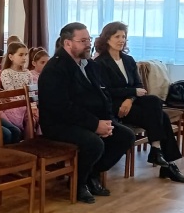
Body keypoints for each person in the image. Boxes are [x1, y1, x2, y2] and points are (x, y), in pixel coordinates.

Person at [38, 22, 136, 203]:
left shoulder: (89, 64)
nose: (88, 44)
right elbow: (62, 108)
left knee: (125, 136)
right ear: (68, 43)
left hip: (88, 119)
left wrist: (107, 121)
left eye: (89, 39)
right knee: (94, 144)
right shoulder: (55, 69)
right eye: (82, 41)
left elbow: (103, 95)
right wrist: (95, 125)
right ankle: (79, 183)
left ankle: (92, 174)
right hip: (60, 124)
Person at [93, 22, 184, 183]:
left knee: (154, 101)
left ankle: (158, 152)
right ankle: (166, 163)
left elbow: (139, 86)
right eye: (117, 36)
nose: (121, 40)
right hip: (115, 107)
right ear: (107, 38)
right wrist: (131, 93)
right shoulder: (100, 63)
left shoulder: (128, 60)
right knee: (162, 117)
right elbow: (107, 91)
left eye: (124, 36)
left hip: (130, 103)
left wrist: (130, 98)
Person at [0, 42, 35, 134]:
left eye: (26, 54)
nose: (24, 58)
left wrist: (32, 105)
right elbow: (11, 92)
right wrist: (25, 103)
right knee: (28, 115)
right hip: (14, 104)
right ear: (11, 57)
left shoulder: (28, 73)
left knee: (33, 117)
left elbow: (31, 92)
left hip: (27, 103)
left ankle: (30, 139)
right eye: (21, 55)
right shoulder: (6, 73)